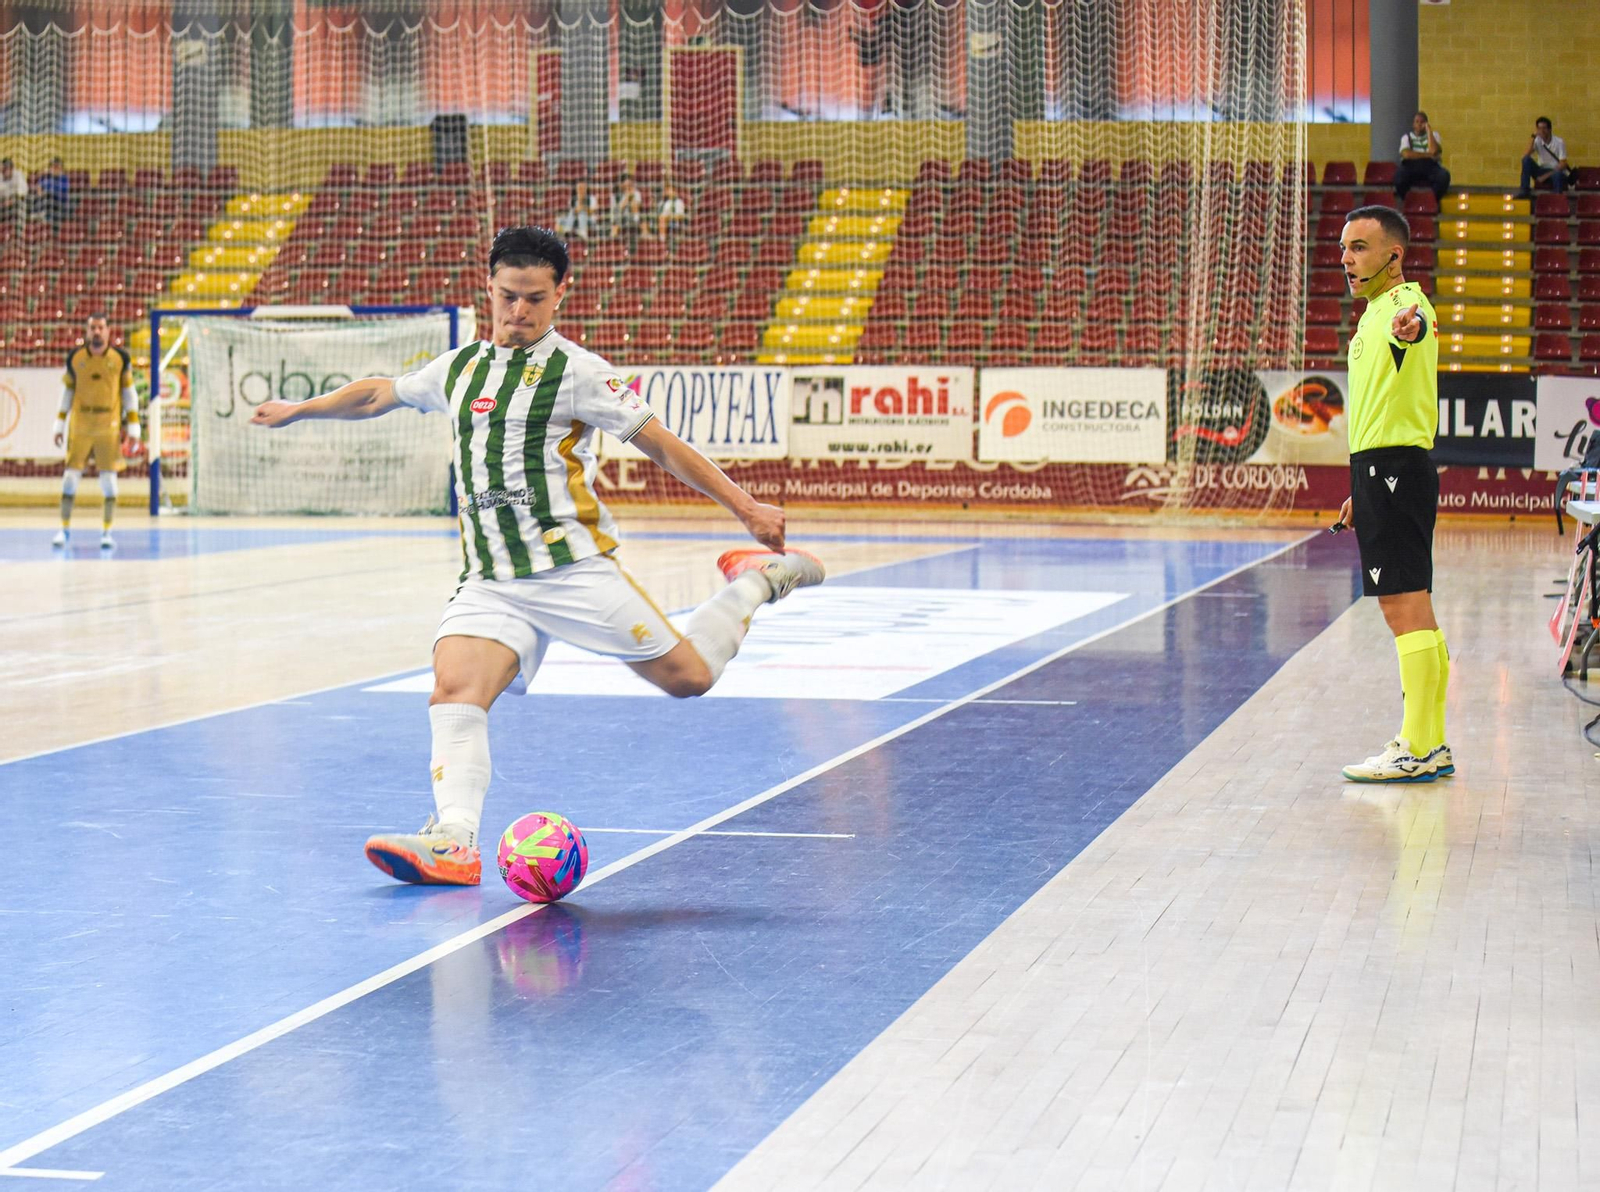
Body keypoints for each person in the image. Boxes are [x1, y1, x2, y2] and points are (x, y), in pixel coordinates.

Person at [249, 225, 825, 886]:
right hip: (491, 579)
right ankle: (455, 841)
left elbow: (662, 445)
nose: (518, 312)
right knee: (455, 690)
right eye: (506, 296)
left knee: (689, 679)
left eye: (533, 299)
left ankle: (755, 584)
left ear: (559, 297)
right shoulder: (460, 368)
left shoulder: (579, 372)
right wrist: (301, 409)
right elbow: (381, 392)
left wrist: (746, 508)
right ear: (488, 290)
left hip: (571, 569)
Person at [1335, 204, 1450, 783]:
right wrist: (1362, 487)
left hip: (1395, 469)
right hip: (1382, 472)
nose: (1347, 259)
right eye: (1344, 249)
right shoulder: (1373, 313)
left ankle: (1418, 747)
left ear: (1393, 255)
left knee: (1404, 609)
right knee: (1415, 610)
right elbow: (1382, 405)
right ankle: (1432, 742)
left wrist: (1413, 326)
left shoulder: (1405, 307)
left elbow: (1418, 323)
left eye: (1359, 247)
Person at [53, 313, 140, 551]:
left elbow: (129, 393)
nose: (97, 332)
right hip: (80, 424)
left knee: (109, 482)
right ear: (87, 331)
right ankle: (63, 527)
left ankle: (107, 531)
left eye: (101, 327)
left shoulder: (120, 359)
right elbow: (67, 392)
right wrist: (59, 423)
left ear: (109, 331)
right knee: (70, 478)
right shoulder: (76, 357)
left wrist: (134, 426)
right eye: (93, 328)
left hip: (108, 426)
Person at [1394, 111, 1449, 202]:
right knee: (1399, 177)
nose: (1419, 124)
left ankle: (1431, 201)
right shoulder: (1406, 137)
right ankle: (1409, 201)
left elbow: (1434, 150)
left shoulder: (1434, 135)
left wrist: (1429, 131)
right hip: (1411, 167)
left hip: (1430, 167)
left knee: (1444, 176)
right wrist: (1428, 155)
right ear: (1413, 124)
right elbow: (1406, 154)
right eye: (1417, 122)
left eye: (1422, 122)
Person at [1518, 116, 1571, 198]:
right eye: (1539, 128)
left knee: (1558, 175)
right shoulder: (1537, 140)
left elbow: (1563, 164)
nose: (1541, 131)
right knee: (1526, 160)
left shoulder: (1559, 142)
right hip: (1541, 170)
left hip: (1555, 171)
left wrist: (1545, 176)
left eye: (1544, 128)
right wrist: (1533, 137)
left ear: (1550, 129)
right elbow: (1525, 156)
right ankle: (1525, 191)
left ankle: (1557, 200)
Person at [609, 173, 644, 251]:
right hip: (619, 218)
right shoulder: (614, 195)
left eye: (630, 184)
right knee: (615, 227)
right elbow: (617, 210)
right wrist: (627, 198)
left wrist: (632, 196)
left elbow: (637, 207)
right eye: (626, 185)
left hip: (633, 218)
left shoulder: (636, 193)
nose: (628, 187)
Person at [32, 156, 69, 223]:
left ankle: (43, 214)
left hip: (58, 202)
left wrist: (47, 192)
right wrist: (40, 192)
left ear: (61, 168)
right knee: (38, 197)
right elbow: (39, 186)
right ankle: (39, 213)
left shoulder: (64, 178)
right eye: (53, 166)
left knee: (49, 195)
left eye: (57, 167)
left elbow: (63, 191)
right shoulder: (46, 177)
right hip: (44, 199)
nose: (54, 169)